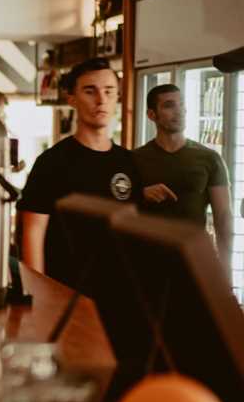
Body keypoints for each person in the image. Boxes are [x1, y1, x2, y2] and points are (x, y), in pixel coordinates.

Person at [17, 58, 142, 287]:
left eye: (108, 91)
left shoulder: (128, 162)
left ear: (117, 97)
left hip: (119, 294)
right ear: (71, 98)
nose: (101, 100)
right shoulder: (52, 162)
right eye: (90, 91)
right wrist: (36, 294)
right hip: (65, 294)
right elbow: (33, 233)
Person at [133, 84, 232, 274]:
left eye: (182, 105)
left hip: (195, 264)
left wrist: (226, 271)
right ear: (151, 115)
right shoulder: (134, 159)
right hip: (146, 264)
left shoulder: (210, 159)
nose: (179, 112)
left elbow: (223, 217)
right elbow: (115, 207)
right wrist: (140, 194)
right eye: (169, 105)